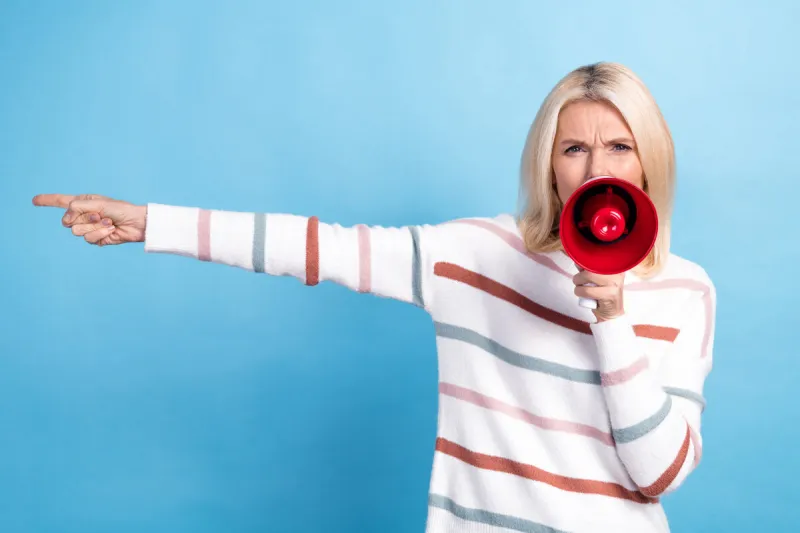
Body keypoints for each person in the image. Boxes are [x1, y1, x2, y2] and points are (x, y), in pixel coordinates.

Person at [33, 62, 715, 533]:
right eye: (574, 147)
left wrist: (613, 319)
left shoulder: (686, 291)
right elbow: (317, 247)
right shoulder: (477, 255)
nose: (597, 167)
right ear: (550, 163)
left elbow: (657, 474)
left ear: (648, 160)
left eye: (619, 145)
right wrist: (153, 221)